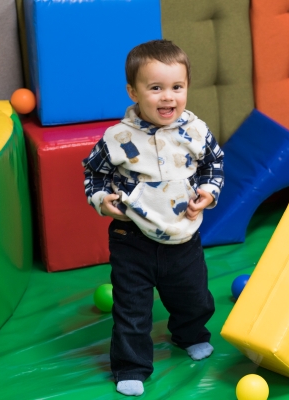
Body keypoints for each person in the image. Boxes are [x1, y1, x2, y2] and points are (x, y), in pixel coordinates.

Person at [82, 39, 224, 397]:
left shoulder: (195, 131)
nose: (168, 98)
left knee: (194, 297)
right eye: (156, 88)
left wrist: (208, 193)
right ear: (133, 91)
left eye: (177, 87)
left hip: (183, 235)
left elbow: (214, 166)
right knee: (131, 308)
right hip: (133, 239)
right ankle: (131, 366)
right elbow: (94, 174)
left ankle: (189, 334)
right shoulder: (117, 137)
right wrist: (102, 199)